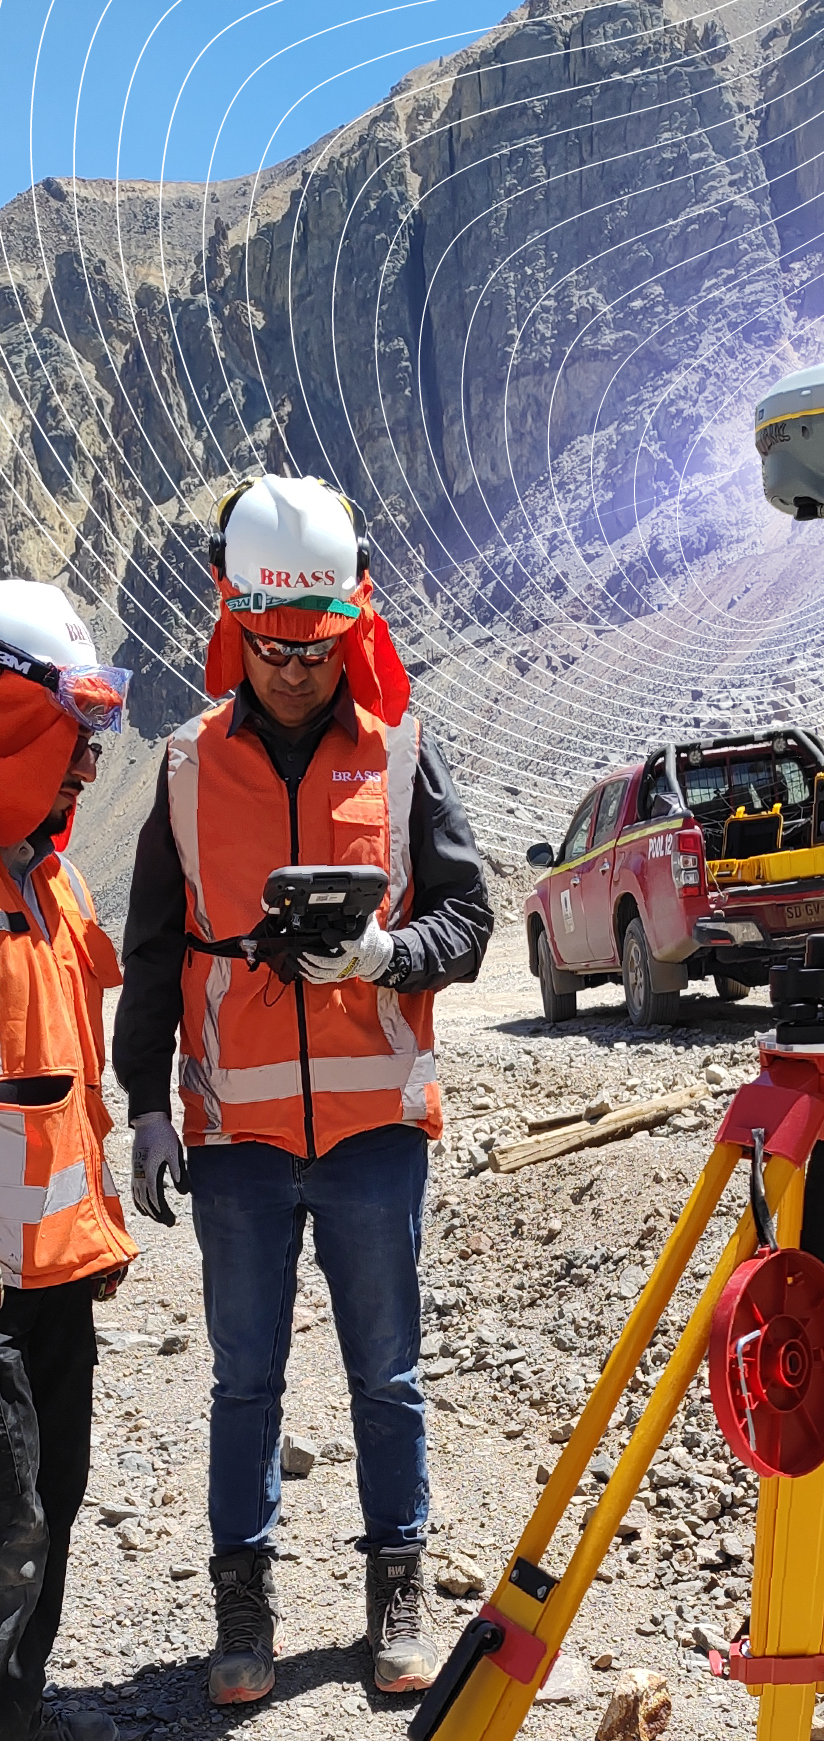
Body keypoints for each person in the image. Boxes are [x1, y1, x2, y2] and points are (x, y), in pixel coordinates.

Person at [113, 475, 493, 1708]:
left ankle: (397, 1593)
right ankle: (245, 1610)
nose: (290, 670)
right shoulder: (179, 769)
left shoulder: (402, 750)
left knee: (386, 1374)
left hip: (377, 1127)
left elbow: (471, 917)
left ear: (349, 626)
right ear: (238, 626)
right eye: (271, 648)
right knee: (243, 1381)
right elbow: (158, 953)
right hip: (236, 1141)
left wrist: (388, 954)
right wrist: (150, 1108)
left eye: (314, 650)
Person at [0, 580, 138, 1741]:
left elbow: (71, 1082)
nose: (88, 771)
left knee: (53, 1499)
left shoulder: (53, 882)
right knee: (4, 1522)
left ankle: (22, 1702)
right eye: (73, 742)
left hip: (51, 1277)